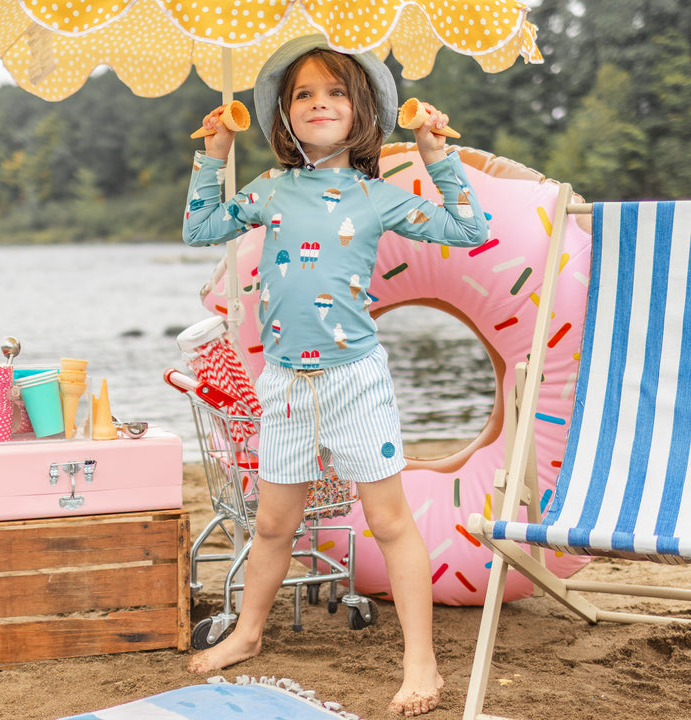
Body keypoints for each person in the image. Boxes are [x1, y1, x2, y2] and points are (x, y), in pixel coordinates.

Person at [182, 35, 488, 717]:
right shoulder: (269, 191)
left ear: (363, 112)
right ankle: (249, 633)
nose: (319, 103)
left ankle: (421, 663)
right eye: (303, 94)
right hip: (286, 384)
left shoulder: (377, 197)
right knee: (271, 524)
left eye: (335, 92)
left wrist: (439, 156)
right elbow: (200, 228)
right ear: (284, 117)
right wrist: (215, 155)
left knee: (388, 520)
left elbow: (469, 230)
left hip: (356, 380)